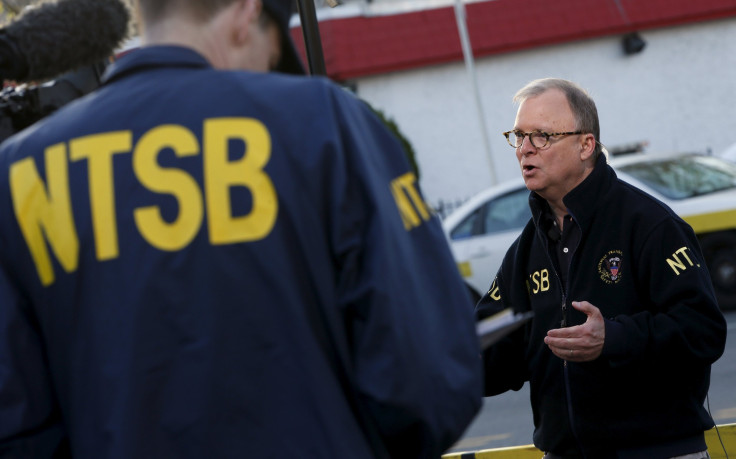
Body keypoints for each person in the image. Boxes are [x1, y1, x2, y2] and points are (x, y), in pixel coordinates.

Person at [0, 0, 484, 457]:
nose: (269, 65)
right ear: (246, 10)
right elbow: (429, 380)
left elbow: (16, 420)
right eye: (273, 46)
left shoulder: (19, 173)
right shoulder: (324, 121)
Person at [476, 78, 727, 459]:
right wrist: (438, 361)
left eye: (542, 136)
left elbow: (703, 331)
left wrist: (614, 338)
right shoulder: (528, 247)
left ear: (585, 145)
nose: (525, 149)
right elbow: (498, 352)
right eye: (518, 136)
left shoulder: (650, 225)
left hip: (658, 450)